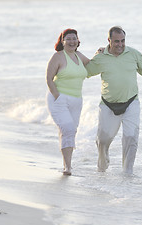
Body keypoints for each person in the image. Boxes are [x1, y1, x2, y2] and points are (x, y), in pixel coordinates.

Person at [86, 26, 142, 174]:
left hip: (131, 102)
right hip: (108, 105)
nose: (120, 44)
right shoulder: (101, 57)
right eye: (116, 41)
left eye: (123, 41)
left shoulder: (133, 54)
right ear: (109, 41)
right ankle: (102, 168)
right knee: (103, 140)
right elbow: (85, 72)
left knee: (131, 137)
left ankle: (127, 173)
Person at [46, 28, 91, 176]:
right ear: (63, 41)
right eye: (69, 39)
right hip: (59, 99)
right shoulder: (58, 57)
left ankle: (66, 164)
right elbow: (49, 79)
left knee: (70, 131)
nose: (72, 41)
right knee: (68, 130)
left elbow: (92, 64)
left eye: (74, 38)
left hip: (77, 100)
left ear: (78, 41)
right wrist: (57, 97)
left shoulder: (79, 56)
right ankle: (68, 167)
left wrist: (102, 52)